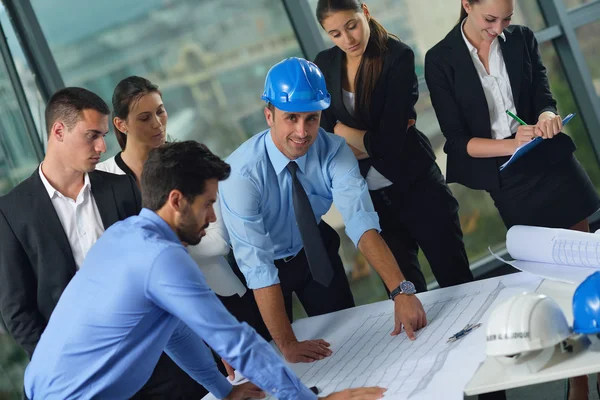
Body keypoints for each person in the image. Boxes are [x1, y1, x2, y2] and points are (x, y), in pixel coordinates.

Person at [23, 141, 387, 400]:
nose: (213, 217)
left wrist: (224, 390)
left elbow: (174, 331)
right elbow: (236, 342)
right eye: (208, 204)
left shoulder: (123, 235)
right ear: (177, 200)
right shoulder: (161, 258)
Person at [424, 1, 600, 399]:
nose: (498, 28)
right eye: (490, 19)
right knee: (551, 282)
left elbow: (542, 94)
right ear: (466, 4)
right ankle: (577, 380)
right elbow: (456, 142)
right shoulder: (440, 59)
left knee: (587, 270)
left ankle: (597, 365)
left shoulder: (521, 39)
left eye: (507, 19)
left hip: (554, 165)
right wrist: (507, 144)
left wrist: (547, 116)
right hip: (508, 178)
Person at [219, 57, 427, 366]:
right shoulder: (240, 175)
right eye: (291, 118)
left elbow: (361, 221)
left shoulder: (334, 150)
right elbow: (258, 266)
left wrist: (402, 291)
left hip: (313, 250)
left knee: (347, 343)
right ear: (269, 115)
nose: (302, 132)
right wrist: (287, 342)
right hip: (260, 267)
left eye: (311, 119)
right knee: (275, 361)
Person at [313, 0, 473, 293]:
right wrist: (365, 139)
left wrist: (345, 131)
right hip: (372, 202)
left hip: (419, 188)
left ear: (365, 11)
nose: (347, 39)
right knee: (407, 297)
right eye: (335, 34)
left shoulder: (397, 56)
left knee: (457, 282)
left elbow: (388, 143)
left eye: (351, 26)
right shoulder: (324, 64)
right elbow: (326, 137)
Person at [0, 87, 140, 360]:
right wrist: (62, 367)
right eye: (92, 136)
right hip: (81, 365)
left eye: (103, 136)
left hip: (150, 347)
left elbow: (155, 268)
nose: (102, 147)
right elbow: (17, 312)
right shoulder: (10, 212)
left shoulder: (123, 188)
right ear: (59, 131)